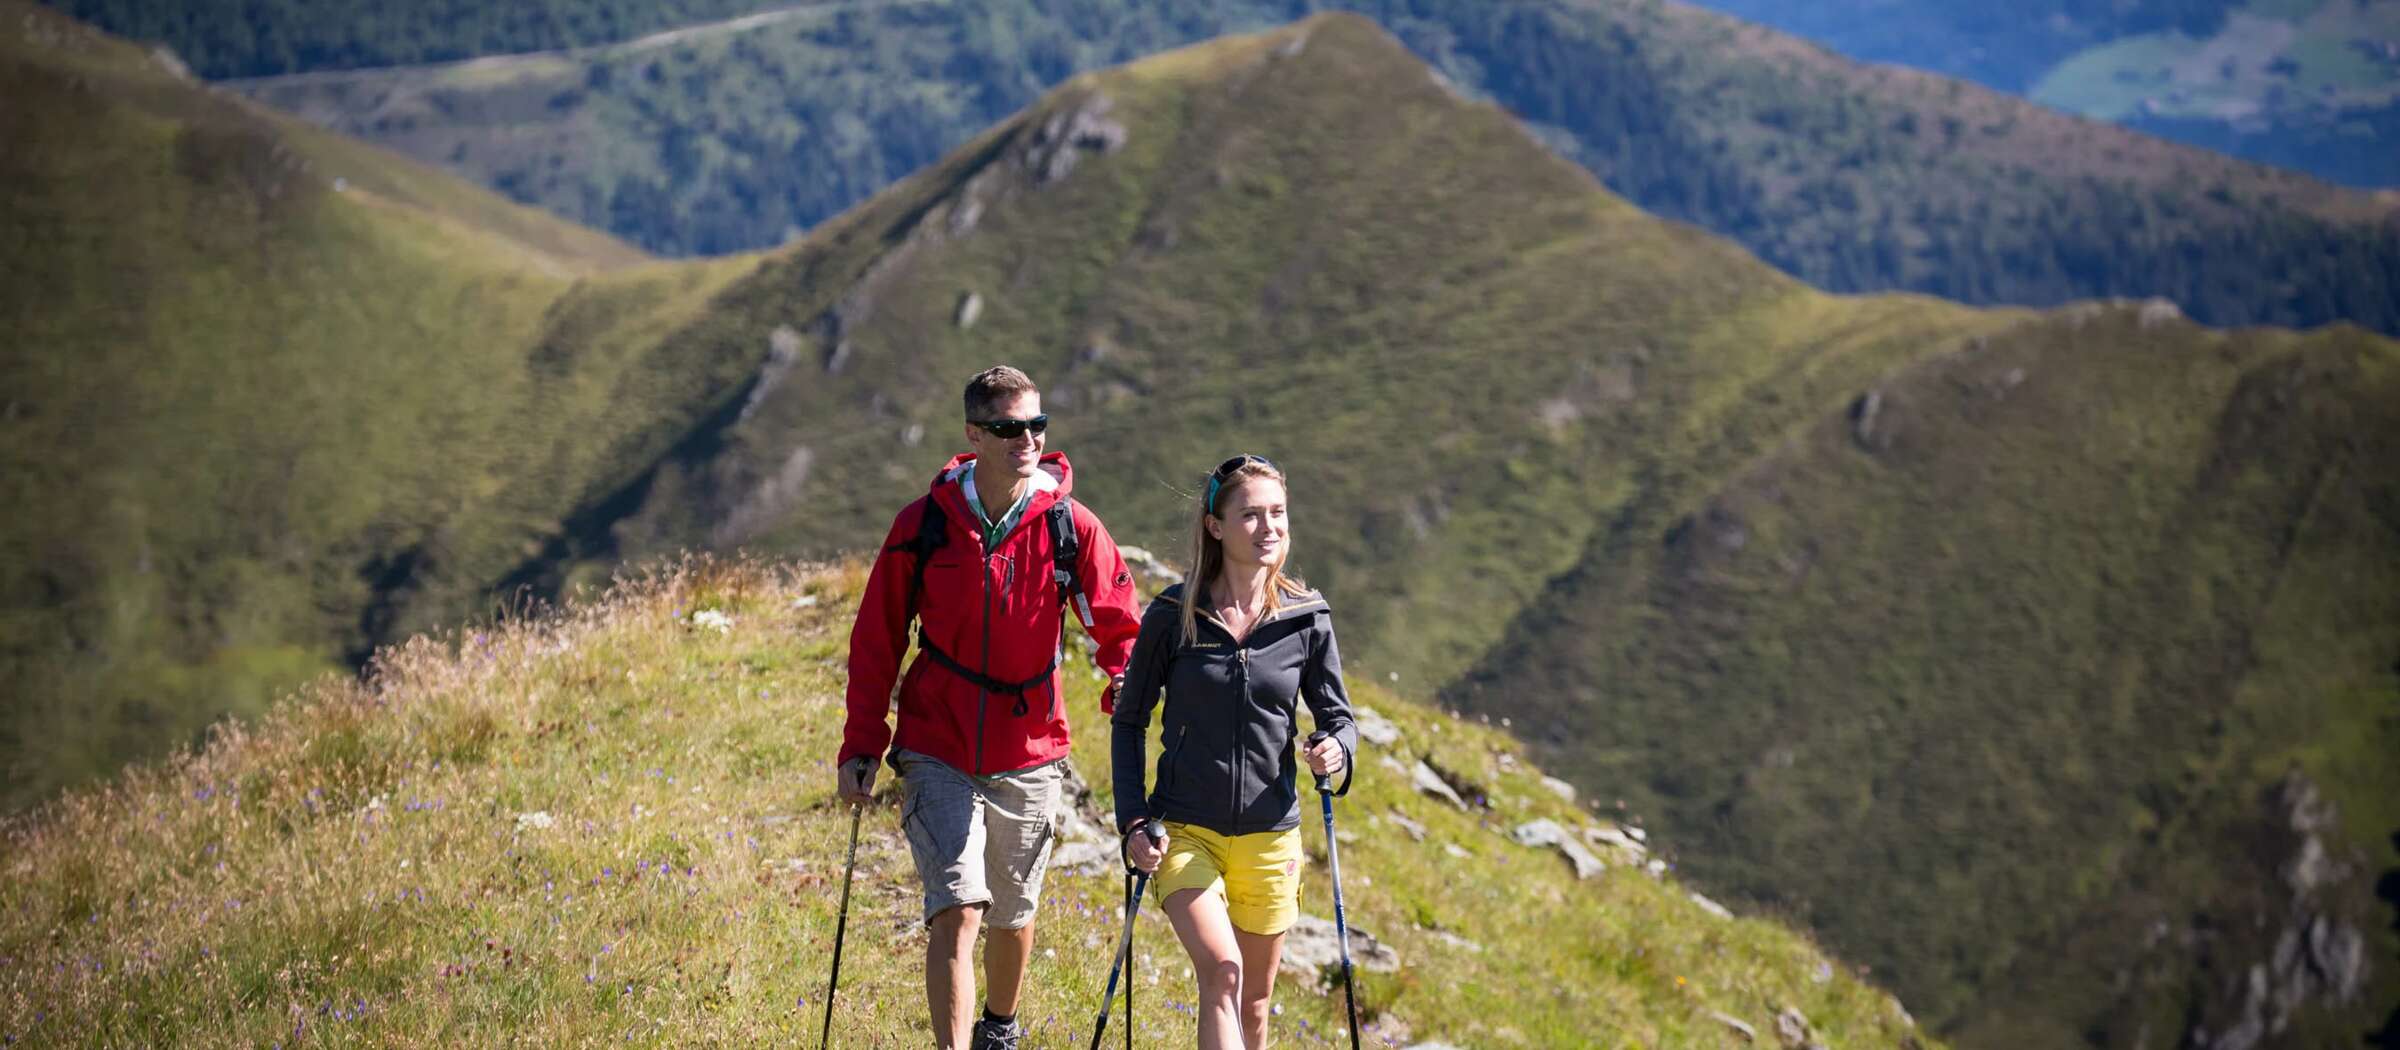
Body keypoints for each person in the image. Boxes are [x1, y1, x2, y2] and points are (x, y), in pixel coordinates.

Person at [840, 365, 1143, 1050]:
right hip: (936, 743)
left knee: (1012, 912)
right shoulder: (923, 525)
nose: (1027, 439)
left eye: (1037, 425)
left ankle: (999, 1027)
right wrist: (862, 743)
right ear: (974, 434)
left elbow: (1119, 621)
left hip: (1030, 748)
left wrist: (1122, 678)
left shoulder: (1070, 525)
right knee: (958, 908)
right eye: (1009, 428)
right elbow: (877, 640)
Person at [1112, 454, 1358, 1050]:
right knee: (1223, 973)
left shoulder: (1306, 618)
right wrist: (1134, 820)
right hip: (1183, 830)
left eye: (1277, 513)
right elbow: (1129, 720)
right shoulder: (1173, 616)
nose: (1268, 527)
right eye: (1250, 515)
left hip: (1270, 837)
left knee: (1254, 1005)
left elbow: (1340, 721)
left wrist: (1336, 751)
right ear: (1215, 526)